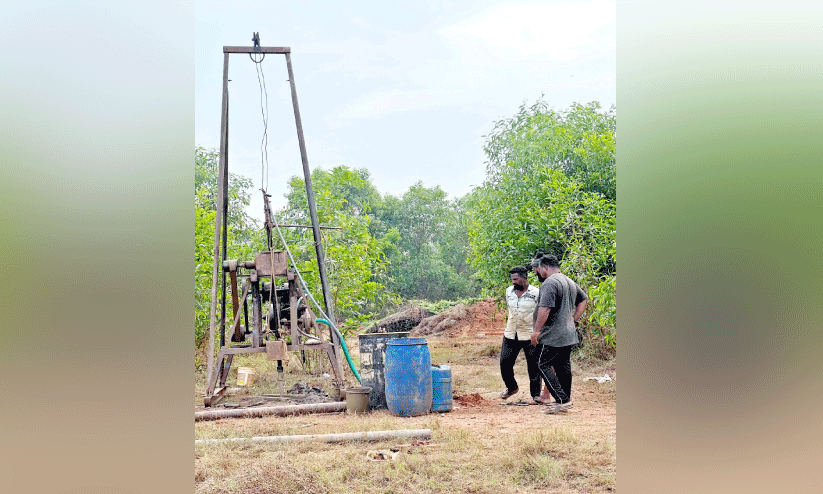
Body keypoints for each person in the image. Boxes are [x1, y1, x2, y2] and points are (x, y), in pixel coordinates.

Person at [530, 254, 588, 413]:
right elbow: (584, 299)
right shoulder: (568, 281)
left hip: (553, 334)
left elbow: (545, 309)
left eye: (539, 269)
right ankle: (565, 401)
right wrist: (572, 320)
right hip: (568, 333)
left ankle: (562, 400)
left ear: (545, 268)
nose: (538, 272)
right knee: (563, 366)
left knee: (542, 364)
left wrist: (536, 331)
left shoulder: (550, 282)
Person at [499, 266, 549, 403]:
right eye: (512, 280)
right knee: (505, 363)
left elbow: (542, 312)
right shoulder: (509, 291)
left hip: (529, 335)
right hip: (511, 333)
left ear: (524, 278)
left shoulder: (537, 293)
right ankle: (512, 387)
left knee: (533, 367)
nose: (513, 282)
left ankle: (536, 395)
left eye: (516, 279)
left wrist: (538, 331)